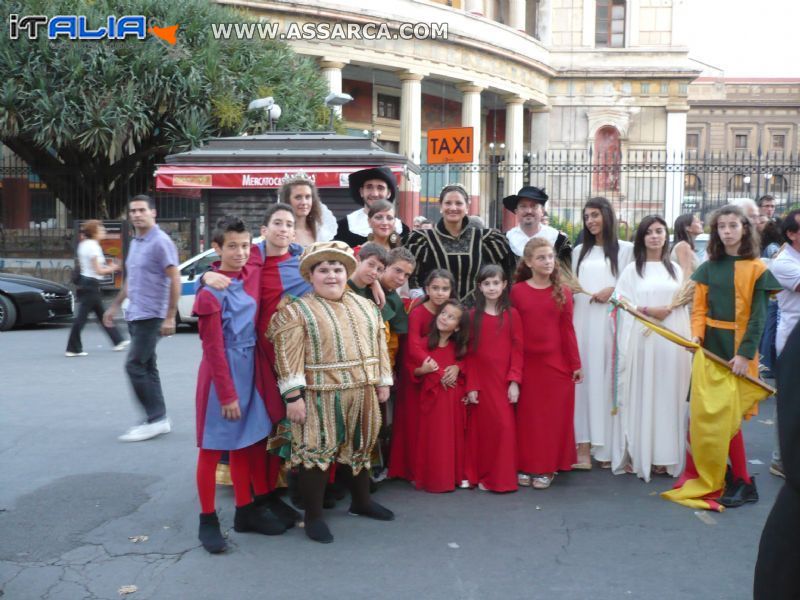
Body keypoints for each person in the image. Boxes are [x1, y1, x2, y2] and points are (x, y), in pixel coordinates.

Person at [267, 241, 394, 544]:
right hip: (318, 395)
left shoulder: (365, 307)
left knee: (362, 446)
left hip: (362, 391)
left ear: (346, 272)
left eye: (337, 269)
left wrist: (383, 380)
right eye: (323, 270)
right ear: (311, 276)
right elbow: (287, 357)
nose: (332, 275)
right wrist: (293, 397)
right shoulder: (297, 311)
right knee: (315, 454)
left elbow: (379, 345)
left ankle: (361, 502)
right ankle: (313, 516)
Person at [202, 203, 309, 525]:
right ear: (266, 230)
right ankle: (219, 514)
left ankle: (259, 499)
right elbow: (225, 268)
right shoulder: (248, 264)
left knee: (257, 432)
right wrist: (208, 273)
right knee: (228, 439)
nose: (240, 251)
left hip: (268, 359)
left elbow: (333, 272)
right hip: (235, 366)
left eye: (288, 224)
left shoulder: (290, 262)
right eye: (277, 222)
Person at [193, 215, 286, 554]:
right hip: (224, 374)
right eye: (231, 246)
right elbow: (213, 349)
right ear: (216, 248)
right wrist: (227, 394)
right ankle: (207, 520)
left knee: (246, 441)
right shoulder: (209, 294)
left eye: (245, 245)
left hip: (250, 369)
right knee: (213, 448)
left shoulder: (252, 268)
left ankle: (245, 511)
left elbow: (283, 244)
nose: (241, 252)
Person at [682, 205, 781, 508]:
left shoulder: (758, 269)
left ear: (745, 229)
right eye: (721, 226)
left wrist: (744, 354)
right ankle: (724, 472)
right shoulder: (709, 265)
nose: (726, 231)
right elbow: (699, 308)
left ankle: (744, 481)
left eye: (733, 226)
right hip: (710, 347)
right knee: (709, 414)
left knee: (730, 419)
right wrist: (696, 336)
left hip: (738, 350)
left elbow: (758, 318)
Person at [611, 216, 691, 482]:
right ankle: (641, 452)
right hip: (644, 341)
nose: (655, 236)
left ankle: (665, 456)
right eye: (649, 232)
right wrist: (647, 311)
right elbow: (621, 300)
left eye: (660, 231)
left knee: (667, 397)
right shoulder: (633, 270)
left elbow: (681, 304)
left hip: (670, 343)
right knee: (644, 395)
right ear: (641, 237)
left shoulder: (676, 271)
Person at [104, 195, 180, 442]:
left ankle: (154, 419)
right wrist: (114, 306)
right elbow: (132, 280)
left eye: (142, 210)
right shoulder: (136, 242)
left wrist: (170, 316)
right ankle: (159, 418)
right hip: (135, 313)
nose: (137, 214)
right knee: (147, 366)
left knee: (134, 365)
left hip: (152, 315)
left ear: (153, 213)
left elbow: (175, 279)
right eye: (133, 211)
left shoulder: (161, 242)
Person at [511, 238, 582, 489]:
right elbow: (513, 334)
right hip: (528, 366)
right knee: (529, 419)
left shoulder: (563, 292)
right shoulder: (517, 291)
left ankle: (546, 468)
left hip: (556, 365)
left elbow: (568, 330)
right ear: (528, 262)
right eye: (541, 258)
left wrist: (575, 364)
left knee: (551, 419)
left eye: (551, 257)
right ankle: (526, 464)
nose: (548, 261)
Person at [572, 197, 634, 468]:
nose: (591, 221)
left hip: (611, 322)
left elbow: (633, 285)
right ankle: (583, 445)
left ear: (608, 215)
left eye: (595, 215)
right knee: (585, 381)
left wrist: (614, 290)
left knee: (609, 379)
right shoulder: (578, 253)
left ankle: (609, 446)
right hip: (583, 321)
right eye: (587, 217)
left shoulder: (626, 251)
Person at [387, 269, 455, 482]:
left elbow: (462, 342)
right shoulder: (418, 312)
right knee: (416, 421)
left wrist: (456, 366)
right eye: (435, 288)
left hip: (442, 370)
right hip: (418, 370)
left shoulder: (453, 312)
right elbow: (414, 346)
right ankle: (413, 468)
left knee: (438, 425)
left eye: (445, 289)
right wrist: (432, 366)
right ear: (426, 289)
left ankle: (437, 466)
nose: (440, 293)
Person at [464, 265, 522, 492]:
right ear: (479, 286)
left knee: (504, 427)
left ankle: (501, 477)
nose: (491, 288)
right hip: (481, 381)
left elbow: (518, 349)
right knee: (481, 431)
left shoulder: (512, 315)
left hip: (503, 381)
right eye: (486, 283)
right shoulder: (471, 317)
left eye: (496, 283)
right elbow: (469, 354)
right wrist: (472, 385)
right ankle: (479, 474)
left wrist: (514, 381)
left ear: (504, 285)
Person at [407, 184, 515, 305]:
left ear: (467, 208)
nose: (453, 208)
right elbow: (412, 278)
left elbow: (506, 273)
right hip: (438, 313)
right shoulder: (424, 240)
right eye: (448, 203)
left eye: (458, 203)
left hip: (476, 313)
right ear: (441, 207)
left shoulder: (485, 238)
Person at [412, 299, 470, 493]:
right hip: (432, 401)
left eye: (451, 317)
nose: (445, 318)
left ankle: (453, 476)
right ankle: (435, 479)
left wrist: (457, 367)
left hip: (453, 401)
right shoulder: (422, 344)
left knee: (452, 438)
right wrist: (426, 369)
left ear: (457, 328)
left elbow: (467, 365)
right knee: (435, 439)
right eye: (444, 313)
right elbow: (413, 371)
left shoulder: (458, 349)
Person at [767, 209, 800, 479]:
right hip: (792, 341)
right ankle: (781, 459)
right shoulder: (783, 262)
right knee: (789, 401)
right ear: (791, 234)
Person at [66, 220, 127, 357]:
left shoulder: (83, 245)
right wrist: (114, 267)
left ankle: (118, 340)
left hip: (86, 282)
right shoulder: (93, 247)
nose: (104, 231)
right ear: (94, 232)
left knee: (101, 314)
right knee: (82, 318)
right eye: (101, 229)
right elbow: (98, 270)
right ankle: (72, 348)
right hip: (91, 284)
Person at [335, 167, 408, 247]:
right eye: (369, 187)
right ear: (361, 192)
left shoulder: (403, 230)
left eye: (380, 188)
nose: (375, 194)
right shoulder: (342, 227)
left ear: (389, 193)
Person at [503, 186, 572, 267]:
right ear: (516, 211)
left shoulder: (559, 241)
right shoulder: (504, 241)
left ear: (542, 211)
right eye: (523, 206)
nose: (528, 211)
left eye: (533, 206)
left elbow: (566, 276)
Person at [278, 175, 337, 247]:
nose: (304, 202)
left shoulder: (319, 232)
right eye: (298, 197)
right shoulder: (280, 233)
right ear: (287, 200)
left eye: (308, 197)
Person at [671, 213, 704, 280]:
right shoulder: (683, 246)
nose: (702, 222)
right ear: (688, 228)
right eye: (697, 221)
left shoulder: (685, 246)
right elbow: (687, 276)